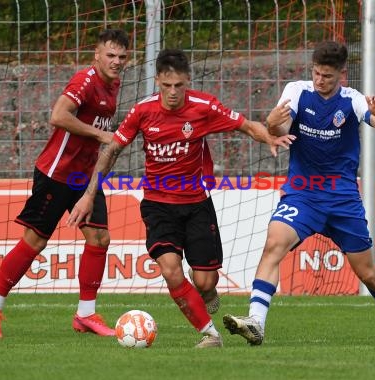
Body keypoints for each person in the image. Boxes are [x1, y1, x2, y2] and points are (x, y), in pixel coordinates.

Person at [67, 48, 294, 348]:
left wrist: (270, 137)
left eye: (179, 86)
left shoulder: (204, 107)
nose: (172, 93)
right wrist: (88, 194)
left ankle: (207, 292)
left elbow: (245, 125)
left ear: (188, 81)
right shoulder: (142, 111)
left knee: (205, 282)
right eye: (166, 86)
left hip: (197, 204)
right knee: (170, 269)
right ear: (157, 80)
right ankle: (210, 334)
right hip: (158, 206)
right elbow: (111, 151)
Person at [223, 41, 375, 346]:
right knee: (274, 243)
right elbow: (277, 126)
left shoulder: (352, 100)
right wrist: (275, 122)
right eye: (316, 73)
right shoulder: (297, 91)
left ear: (342, 74)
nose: (319, 80)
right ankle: (257, 322)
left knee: (369, 274)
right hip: (302, 194)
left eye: (327, 76)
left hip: (342, 199)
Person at [0, 29, 130, 339]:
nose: (116, 61)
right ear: (96, 55)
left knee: (99, 238)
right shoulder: (84, 81)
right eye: (110, 55)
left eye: (122, 57)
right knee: (35, 242)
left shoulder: (113, 84)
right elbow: (58, 116)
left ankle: (85, 314)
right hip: (56, 174)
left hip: (83, 177)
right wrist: (100, 135)